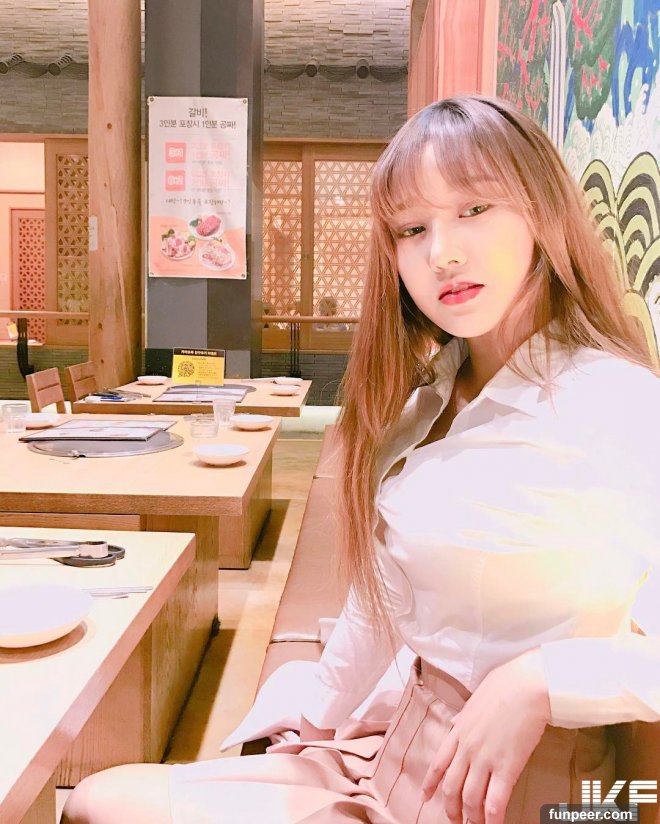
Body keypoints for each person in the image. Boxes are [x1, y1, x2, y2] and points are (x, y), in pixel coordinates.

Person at [63, 95, 659, 824]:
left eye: (474, 209)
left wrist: (540, 681)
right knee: (95, 799)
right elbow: (382, 602)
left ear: (543, 212)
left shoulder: (614, 401)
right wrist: (315, 719)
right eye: (413, 229)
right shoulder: (430, 394)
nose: (442, 253)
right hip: (390, 747)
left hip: (511, 790)